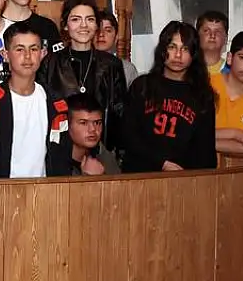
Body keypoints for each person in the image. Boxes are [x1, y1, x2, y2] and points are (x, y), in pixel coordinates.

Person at [0, 23, 70, 178]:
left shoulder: (56, 103)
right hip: (2, 189)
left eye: (34, 49)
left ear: (43, 53)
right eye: (19, 49)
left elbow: (61, 157)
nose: (27, 56)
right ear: (5, 55)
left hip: (44, 189)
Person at [122, 21, 218, 172]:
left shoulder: (202, 95)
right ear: (162, 50)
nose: (178, 55)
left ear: (194, 54)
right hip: (140, 175)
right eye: (172, 47)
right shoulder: (142, 86)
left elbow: (205, 151)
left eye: (185, 49)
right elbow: (128, 135)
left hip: (183, 177)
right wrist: (161, 163)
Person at [38, 0, 127, 150]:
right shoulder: (50, 63)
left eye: (90, 19)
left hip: (101, 150)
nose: (83, 25)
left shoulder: (111, 64)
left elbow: (119, 114)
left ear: (96, 25)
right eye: (76, 19)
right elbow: (41, 112)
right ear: (65, 25)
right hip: (59, 149)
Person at [45, 92, 122, 176]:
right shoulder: (53, 163)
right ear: (67, 125)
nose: (92, 129)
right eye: (83, 123)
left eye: (97, 122)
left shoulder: (103, 155)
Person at [96, 10, 139, 86]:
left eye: (108, 30)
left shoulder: (127, 69)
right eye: (97, 30)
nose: (101, 34)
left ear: (116, 37)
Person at [196, 10, 229, 74]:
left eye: (218, 31)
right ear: (197, 36)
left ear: (226, 38)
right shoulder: (186, 69)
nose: (212, 35)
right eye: (206, 31)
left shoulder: (234, 72)